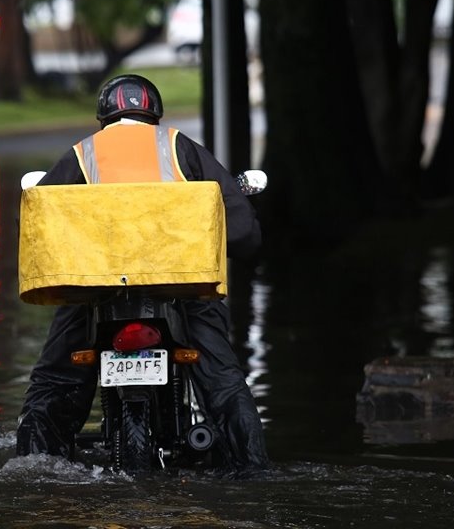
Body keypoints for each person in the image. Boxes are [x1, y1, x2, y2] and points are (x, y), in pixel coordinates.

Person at [15, 73, 269, 471]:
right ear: (155, 113)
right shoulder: (179, 147)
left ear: (103, 116)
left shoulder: (83, 154)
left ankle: (35, 466)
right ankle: (252, 470)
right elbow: (241, 231)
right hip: (181, 287)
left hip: (97, 291)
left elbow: (41, 226)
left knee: (55, 381)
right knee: (222, 382)